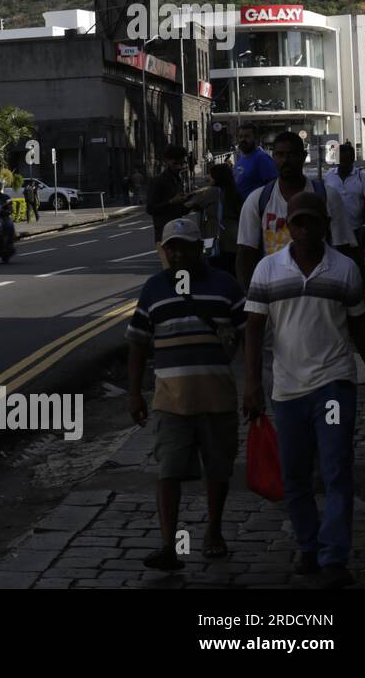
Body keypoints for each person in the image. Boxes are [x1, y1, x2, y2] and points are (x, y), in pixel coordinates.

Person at [244, 192, 365, 588]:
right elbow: (253, 330)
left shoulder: (345, 271)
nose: (305, 229)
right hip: (287, 390)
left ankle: (334, 555)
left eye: (312, 221)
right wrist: (251, 383)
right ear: (288, 226)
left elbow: (360, 329)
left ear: (325, 223)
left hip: (334, 384)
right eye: (298, 222)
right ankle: (308, 544)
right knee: (295, 476)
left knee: (337, 469)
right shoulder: (268, 271)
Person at [126, 218, 246, 571]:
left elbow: (250, 336)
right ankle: (168, 544)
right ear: (163, 251)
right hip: (170, 401)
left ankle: (213, 530)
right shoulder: (153, 289)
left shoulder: (225, 287)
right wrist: (134, 394)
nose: (177, 254)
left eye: (184, 247)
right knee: (168, 471)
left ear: (200, 248)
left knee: (218, 470)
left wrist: (255, 384)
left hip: (217, 398)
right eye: (170, 247)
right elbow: (137, 344)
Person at [236, 131, 356, 293]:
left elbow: (345, 248)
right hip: (274, 291)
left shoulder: (328, 197)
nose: (286, 160)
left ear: (303, 156)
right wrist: (250, 298)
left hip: (321, 289)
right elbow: (245, 254)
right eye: (280, 154)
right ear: (273, 157)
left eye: (292, 154)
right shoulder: (257, 200)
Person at [324, 143, 365, 284]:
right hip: (334, 230)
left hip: (355, 229)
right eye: (340, 161)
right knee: (336, 266)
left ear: (352, 160)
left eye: (346, 161)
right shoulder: (329, 175)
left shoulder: (362, 176)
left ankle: (360, 297)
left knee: (357, 265)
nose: (343, 165)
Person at [185, 164, 242, 276]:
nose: (208, 179)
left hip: (214, 239)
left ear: (217, 177)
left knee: (214, 273)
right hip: (234, 238)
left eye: (211, 176)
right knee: (231, 273)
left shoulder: (211, 192)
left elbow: (187, 205)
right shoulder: (235, 192)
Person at [147, 146, 190, 268]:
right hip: (164, 236)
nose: (179, 167)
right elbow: (150, 208)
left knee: (181, 270)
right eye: (175, 163)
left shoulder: (177, 180)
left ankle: (182, 288)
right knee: (169, 271)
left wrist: (192, 202)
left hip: (179, 232)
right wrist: (171, 201)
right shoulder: (158, 181)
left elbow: (180, 209)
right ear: (166, 161)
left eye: (182, 163)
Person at [233, 123, 278, 200]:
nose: (243, 139)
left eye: (247, 136)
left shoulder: (262, 158)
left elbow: (274, 185)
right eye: (240, 137)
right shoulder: (240, 159)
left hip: (256, 209)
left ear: (256, 138)